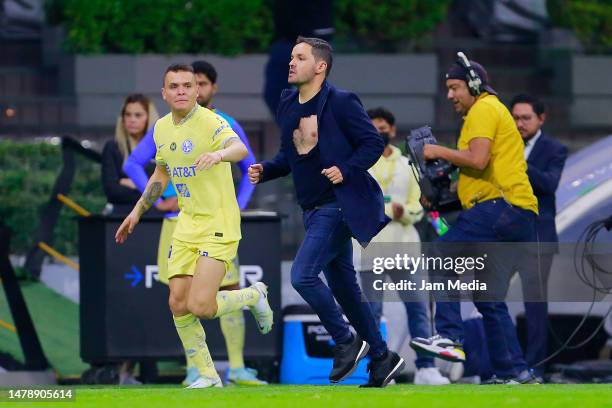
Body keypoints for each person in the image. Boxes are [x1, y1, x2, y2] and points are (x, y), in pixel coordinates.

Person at [249, 37, 404, 388]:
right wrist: (267, 170)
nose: (291, 63)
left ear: (320, 66)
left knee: (303, 276)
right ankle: (382, 358)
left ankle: (347, 341)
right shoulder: (288, 100)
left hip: (338, 206)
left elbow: (372, 143)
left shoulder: (341, 101)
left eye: (299, 58)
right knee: (345, 288)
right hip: (312, 208)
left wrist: (346, 169)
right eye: (291, 57)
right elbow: (290, 155)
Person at [115, 63, 273, 389]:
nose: (182, 91)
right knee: (177, 302)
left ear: (197, 91)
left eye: (188, 85)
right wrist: (136, 212)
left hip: (219, 222)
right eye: (174, 86)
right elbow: (160, 175)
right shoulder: (160, 128)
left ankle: (253, 296)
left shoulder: (211, 121)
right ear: (164, 93)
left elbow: (240, 149)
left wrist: (220, 156)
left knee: (201, 306)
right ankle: (208, 375)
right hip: (186, 224)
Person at [409, 55, 540, 384]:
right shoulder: (487, 110)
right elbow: (479, 171)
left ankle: (449, 337)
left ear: (474, 85)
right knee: (488, 296)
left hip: (502, 207)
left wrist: (437, 152)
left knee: (440, 253)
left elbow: (477, 160)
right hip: (513, 211)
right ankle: (515, 371)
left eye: (454, 88)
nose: (450, 95)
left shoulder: (483, 108)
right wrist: (441, 197)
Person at [355, 107, 449, 385]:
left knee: (418, 308)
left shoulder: (407, 164)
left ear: (392, 131)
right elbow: (357, 202)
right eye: (373, 127)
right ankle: (380, 368)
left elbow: (418, 205)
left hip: (405, 248)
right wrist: (386, 210)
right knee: (372, 312)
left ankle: (426, 368)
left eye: (383, 127)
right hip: (370, 247)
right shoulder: (359, 164)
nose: (379, 132)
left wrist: (404, 212)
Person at [510, 94, 568, 380]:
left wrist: (516, 162)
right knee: (489, 298)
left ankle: (536, 366)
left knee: (534, 304)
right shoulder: (503, 145)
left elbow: (548, 184)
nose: (519, 124)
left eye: (525, 118)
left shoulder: (555, 149)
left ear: (541, 119)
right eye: (515, 118)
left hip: (537, 236)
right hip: (503, 233)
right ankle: (503, 364)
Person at [101, 94, 162, 215]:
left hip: (155, 217)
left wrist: (134, 184)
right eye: (127, 114)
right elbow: (112, 191)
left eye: (138, 115)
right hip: (121, 216)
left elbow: (166, 191)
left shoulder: (161, 148)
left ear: (149, 118)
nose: (132, 119)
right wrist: (147, 186)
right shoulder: (113, 147)